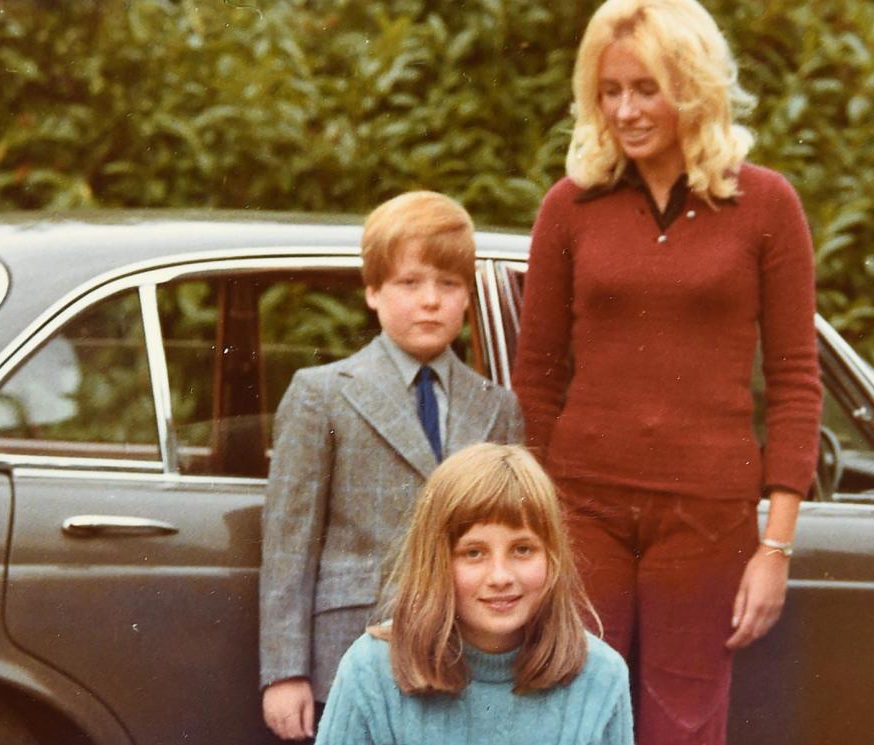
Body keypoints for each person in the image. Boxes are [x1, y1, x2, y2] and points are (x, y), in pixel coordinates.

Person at [511, 1, 822, 743]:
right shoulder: (570, 208)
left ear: (693, 86)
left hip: (707, 517)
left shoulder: (767, 205)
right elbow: (537, 377)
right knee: (571, 717)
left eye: (645, 88)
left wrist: (774, 548)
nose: (625, 110)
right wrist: (542, 524)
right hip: (584, 510)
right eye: (609, 91)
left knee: (683, 726)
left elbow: (795, 378)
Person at [260, 191, 525, 741]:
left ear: (467, 299)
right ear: (373, 292)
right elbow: (289, 546)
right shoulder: (322, 394)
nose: (430, 301)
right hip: (351, 649)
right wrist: (285, 671)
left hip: (469, 658)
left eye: (448, 285)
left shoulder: (498, 407)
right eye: (410, 283)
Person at [315, 443, 634, 745]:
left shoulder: (601, 677)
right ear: (437, 561)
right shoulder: (371, 669)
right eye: (474, 553)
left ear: (552, 557)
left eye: (522, 549)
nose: (500, 577)